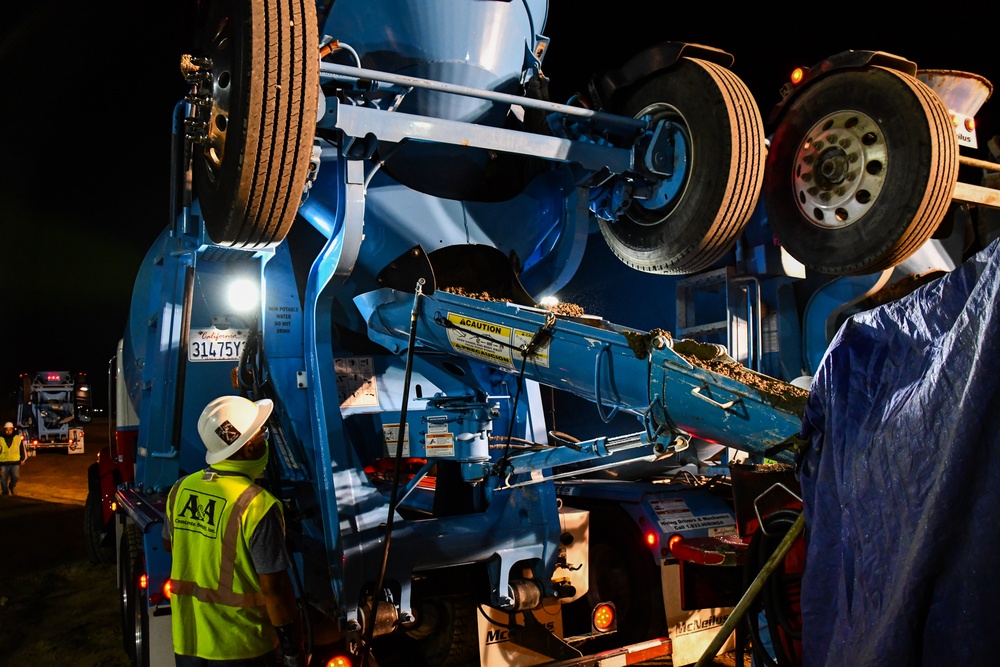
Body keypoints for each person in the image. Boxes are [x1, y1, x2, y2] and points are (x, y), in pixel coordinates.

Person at [163, 396, 304, 666]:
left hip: (189, 641)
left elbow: (174, 546)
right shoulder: (257, 504)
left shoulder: (180, 489)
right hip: (243, 646)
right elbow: (274, 589)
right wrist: (292, 649)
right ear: (249, 448)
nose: (266, 441)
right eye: (262, 435)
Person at [0, 421, 27, 496]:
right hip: (3, 462)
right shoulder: (0, 439)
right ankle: (5, 492)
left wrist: (23, 459)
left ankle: (12, 486)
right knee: (3, 479)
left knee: (16, 477)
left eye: (10, 429)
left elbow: (22, 449)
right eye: (7, 429)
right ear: (4, 430)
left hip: (15, 462)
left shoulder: (18, 438)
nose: (8, 431)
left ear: (12, 429)